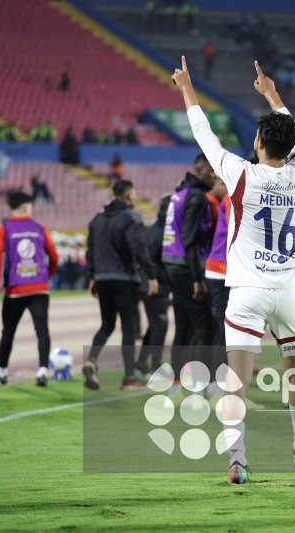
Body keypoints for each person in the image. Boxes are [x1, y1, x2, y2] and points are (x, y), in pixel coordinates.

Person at [173, 57, 295, 483]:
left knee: (236, 382)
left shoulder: (240, 176)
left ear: (258, 143)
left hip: (248, 291)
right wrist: (272, 95)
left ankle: (237, 459)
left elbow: (204, 134)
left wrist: (186, 87)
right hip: (290, 290)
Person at [83, 180, 159, 391]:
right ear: (129, 196)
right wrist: (151, 276)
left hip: (102, 279)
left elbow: (90, 252)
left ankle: (92, 359)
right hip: (125, 279)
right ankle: (128, 378)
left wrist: (92, 277)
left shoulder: (96, 220)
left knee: (106, 323)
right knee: (128, 327)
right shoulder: (131, 218)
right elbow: (139, 249)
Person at [0, 192, 59, 387]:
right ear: (27, 207)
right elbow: (54, 256)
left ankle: (2, 372)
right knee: (42, 330)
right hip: (39, 289)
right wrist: (47, 276)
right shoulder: (39, 229)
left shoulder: (4, 229)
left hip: (15, 290)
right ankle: (42, 371)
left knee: (8, 331)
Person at [162, 153, 217, 401]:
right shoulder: (196, 196)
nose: (215, 176)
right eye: (211, 171)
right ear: (198, 169)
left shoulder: (179, 193)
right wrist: (197, 278)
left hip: (171, 264)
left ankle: (175, 384)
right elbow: (190, 239)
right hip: (186, 267)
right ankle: (198, 387)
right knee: (204, 325)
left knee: (184, 325)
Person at [137, 195, 173, 378]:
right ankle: (155, 367)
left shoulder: (158, 229)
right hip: (153, 286)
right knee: (160, 324)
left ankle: (142, 363)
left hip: (154, 284)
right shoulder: (158, 232)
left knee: (155, 326)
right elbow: (150, 261)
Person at [204, 178, 230, 391]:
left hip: (223, 270)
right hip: (222, 271)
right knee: (224, 331)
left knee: (222, 330)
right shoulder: (233, 198)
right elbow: (238, 231)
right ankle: (216, 385)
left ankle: (214, 383)